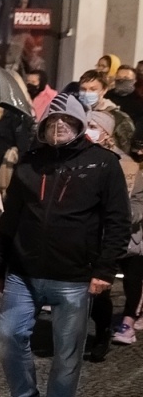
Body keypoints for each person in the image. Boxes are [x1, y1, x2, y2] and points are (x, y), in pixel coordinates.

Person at [0, 93, 130, 397]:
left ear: (81, 124)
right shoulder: (29, 163)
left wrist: (104, 270)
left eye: (67, 121)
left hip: (74, 276)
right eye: (52, 122)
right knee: (9, 334)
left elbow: (117, 222)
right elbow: (11, 217)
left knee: (67, 352)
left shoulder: (103, 163)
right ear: (43, 127)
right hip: (24, 271)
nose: (59, 127)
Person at [83, 109, 125, 363]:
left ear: (107, 133)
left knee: (99, 294)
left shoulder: (118, 162)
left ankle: (102, 333)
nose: (88, 130)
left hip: (102, 235)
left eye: (94, 126)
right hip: (80, 233)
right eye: (85, 124)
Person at [113, 115, 143, 347]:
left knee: (135, 274)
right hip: (135, 230)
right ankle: (130, 318)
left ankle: (130, 319)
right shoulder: (131, 167)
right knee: (134, 273)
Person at [78, 70, 136, 154]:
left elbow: (128, 150)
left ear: (104, 90)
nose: (87, 93)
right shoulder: (76, 114)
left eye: (93, 89)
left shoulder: (119, 118)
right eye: (83, 89)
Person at [108, 65, 143, 133]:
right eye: (119, 77)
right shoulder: (107, 96)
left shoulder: (139, 102)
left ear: (134, 80)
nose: (121, 80)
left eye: (126, 78)